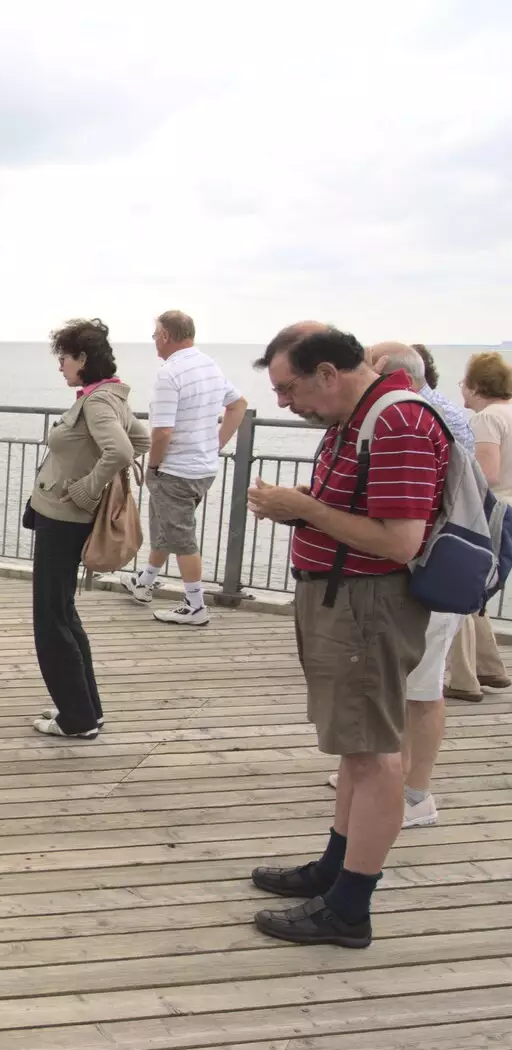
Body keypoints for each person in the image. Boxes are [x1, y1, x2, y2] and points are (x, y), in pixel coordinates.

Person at [246, 323, 450, 947]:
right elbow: (364, 510)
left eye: (288, 388)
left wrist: (303, 509)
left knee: (374, 755)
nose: (284, 403)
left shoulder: (396, 423)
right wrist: (310, 501)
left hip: (368, 606)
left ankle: (350, 908)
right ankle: (335, 872)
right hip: (342, 600)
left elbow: (399, 540)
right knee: (353, 746)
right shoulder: (356, 419)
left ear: (327, 374)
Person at [321, 341, 474, 829]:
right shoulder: (435, 410)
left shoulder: (407, 417)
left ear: (383, 368)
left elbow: (410, 524)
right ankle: (394, 783)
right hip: (434, 572)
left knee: (421, 690)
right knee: (412, 689)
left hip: (423, 577)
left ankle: (411, 793)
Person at [27, 318, 150, 738]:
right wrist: (95, 482)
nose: (60, 366)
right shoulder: (110, 396)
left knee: (50, 619)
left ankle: (77, 719)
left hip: (64, 520)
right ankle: (83, 708)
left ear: (82, 358)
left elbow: (121, 450)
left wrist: (86, 489)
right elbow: (142, 440)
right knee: (64, 613)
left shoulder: (96, 403)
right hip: (65, 519)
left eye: (63, 358)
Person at [119, 310, 247, 625]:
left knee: (182, 537)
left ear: (165, 336)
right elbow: (238, 404)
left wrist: (155, 464)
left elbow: (162, 431)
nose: (153, 342)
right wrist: (215, 444)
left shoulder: (169, 373)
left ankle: (195, 606)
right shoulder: (208, 365)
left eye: (154, 335)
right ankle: (144, 583)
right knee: (166, 527)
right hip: (202, 468)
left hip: (175, 470)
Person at [445, 351, 512, 700]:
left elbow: (487, 473)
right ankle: (489, 666)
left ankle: (464, 678)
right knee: (477, 594)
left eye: (464, 384)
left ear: (475, 385)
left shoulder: (487, 419)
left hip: (494, 510)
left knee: (460, 589)